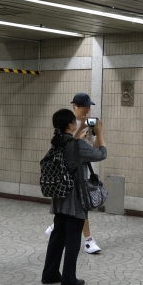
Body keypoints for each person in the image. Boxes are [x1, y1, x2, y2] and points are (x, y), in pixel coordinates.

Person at [41, 109, 107, 285]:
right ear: (70, 124)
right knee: (72, 237)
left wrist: (80, 132)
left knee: (58, 236)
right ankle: (69, 278)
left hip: (59, 195)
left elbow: (72, 143)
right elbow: (101, 154)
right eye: (74, 121)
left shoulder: (57, 142)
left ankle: (50, 273)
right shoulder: (77, 145)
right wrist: (99, 135)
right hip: (75, 197)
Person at [46, 93, 102, 254]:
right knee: (77, 208)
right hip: (66, 174)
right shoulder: (68, 123)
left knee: (75, 209)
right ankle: (88, 240)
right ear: (75, 106)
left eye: (89, 107)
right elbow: (65, 144)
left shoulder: (88, 123)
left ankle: (58, 228)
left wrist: (98, 133)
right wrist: (80, 132)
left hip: (81, 170)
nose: (87, 111)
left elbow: (97, 149)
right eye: (84, 107)